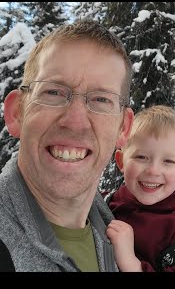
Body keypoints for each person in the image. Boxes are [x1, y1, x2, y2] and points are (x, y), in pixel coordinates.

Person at [0, 20, 134, 271]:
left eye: (101, 99)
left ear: (123, 128)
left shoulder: (120, 244)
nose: (75, 122)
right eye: (53, 92)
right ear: (16, 113)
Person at [106, 105, 175, 272]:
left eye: (168, 161)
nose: (153, 171)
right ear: (121, 161)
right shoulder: (109, 200)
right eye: (141, 157)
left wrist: (131, 264)